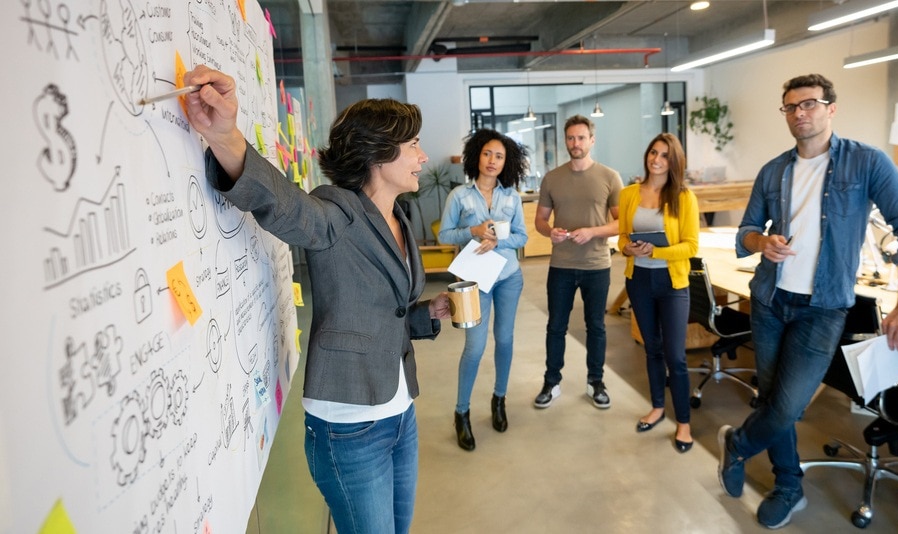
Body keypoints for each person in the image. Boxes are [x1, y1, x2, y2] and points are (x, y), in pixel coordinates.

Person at [182, 65, 452, 534]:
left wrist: (429, 311)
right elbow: (285, 206)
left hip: (399, 411)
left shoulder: (401, 219)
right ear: (377, 153)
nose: (423, 157)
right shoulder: (335, 213)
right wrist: (226, 139)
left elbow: (386, 313)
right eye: (412, 146)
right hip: (349, 428)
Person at [717, 73, 898, 529]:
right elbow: (743, 235)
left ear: (830, 108)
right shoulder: (774, 170)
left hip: (823, 308)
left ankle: (737, 445)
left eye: (810, 104)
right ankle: (788, 484)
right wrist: (763, 242)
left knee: (786, 406)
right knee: (771, 399)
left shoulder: (866, 163)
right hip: (770, 299)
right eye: (792, 107)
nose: (801, 113)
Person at [438, 129, 529, 451]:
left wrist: (499, 240)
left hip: (507, 277)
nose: (493, 161)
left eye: (500, 156)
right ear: (477, 155)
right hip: (475, 281)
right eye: (488, 153)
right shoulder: (459, 196)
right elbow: (444, 236)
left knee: (505, 340)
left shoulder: (512, 197)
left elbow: (522, 237)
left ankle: (499, 399)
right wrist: (472, 231)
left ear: (507, 163)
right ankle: (461, 413)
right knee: (474, 348)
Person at [533, 115, 623, 409]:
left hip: (597, 265)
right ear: (565, 141)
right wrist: (551, 233)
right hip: (561, 265)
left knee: (596, 326)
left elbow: (622, 223)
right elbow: (540, 220)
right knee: (556, 326)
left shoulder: (610, 177)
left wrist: (593, 232)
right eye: (571, 138)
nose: (575, 143)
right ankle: (551, 381)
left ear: (591, 140)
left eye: (581, 138)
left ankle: (596, 382)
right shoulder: (552, 178)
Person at [618, 133, 699, 453]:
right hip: (638, 280)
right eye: (653, 152)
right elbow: (623, 235)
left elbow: (691, 246)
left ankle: (684, 423)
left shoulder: (684, 197)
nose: (657, 160)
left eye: (665, 155)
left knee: (676, 357)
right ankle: (656, 406)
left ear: (674, 161)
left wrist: (656, 252)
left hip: (672, 284)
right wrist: (626, 247)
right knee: (651, 348)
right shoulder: (628, 194)